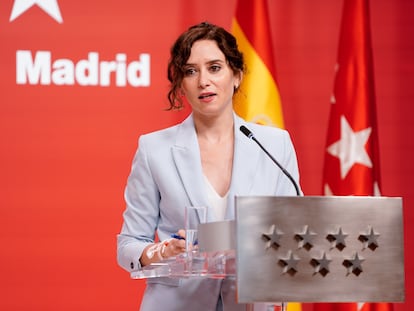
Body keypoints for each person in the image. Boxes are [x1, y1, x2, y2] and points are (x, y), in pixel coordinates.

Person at [117, 21, 302, 311]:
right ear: (181, 83)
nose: (203, 80)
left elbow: (295, 233)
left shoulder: (274, 144)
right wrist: (163, 250)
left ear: (237, 75)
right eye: (191, 71)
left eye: (215, 67)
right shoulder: (154, 149)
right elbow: (129, 244)